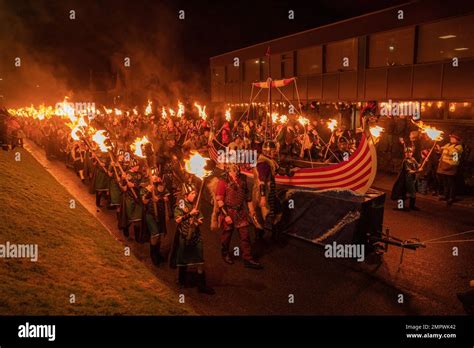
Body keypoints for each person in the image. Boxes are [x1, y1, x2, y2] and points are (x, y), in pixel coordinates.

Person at [215, 164, 263, 269]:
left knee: (245, 236)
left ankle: (248, 259)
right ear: (228, 169)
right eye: (233, 167)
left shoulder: (242, 180)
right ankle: (225, 253)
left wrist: (251, 210)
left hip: (240, 212)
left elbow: (248, 197)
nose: (236, 169)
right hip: (228, 211)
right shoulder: (223, 181)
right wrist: (226, 215)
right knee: (226, 236)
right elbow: (219, 200)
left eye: (236, 167)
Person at [171, 182, 215, 295]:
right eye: (192, 193)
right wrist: (189, 215)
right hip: (184, 235)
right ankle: (181, 281)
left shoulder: (196, 204)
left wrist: (195, 221)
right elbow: (177, 220)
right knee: (183, 259)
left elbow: (200, 220)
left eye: (195, 192)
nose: (194, 195)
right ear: (186, 195)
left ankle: (201, 285)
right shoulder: (181, 203)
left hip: (196, 235)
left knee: (200, 260)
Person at [142, 173, 169, 266]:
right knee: (155, 234)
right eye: (153, 176)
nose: (155, 178)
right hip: (150, 214)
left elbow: (166, 197)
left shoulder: (161, 186)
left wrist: (161, 198)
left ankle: (157, 253)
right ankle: (153, 254)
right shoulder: (146, 187)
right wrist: (150, 193)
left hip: (160, 214)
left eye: (156, 176)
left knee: (160, 235)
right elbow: (144, 201)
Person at [436, 134, 463, 206]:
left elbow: (454, 155)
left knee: (451, 183)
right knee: (445, 182)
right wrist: (438, 149)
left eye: (452, 138)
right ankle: (445, 195)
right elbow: (441, 151)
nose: (451, 138)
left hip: (451, 167)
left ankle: (451, 197)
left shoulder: (459, 147)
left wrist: (445, 149)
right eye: (451, 137)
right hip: (443, 166)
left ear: (457, 139)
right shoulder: (448, 144)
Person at [391, 147, 421, 211]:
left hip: (412, 179)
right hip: (406, 179)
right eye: (407, 153)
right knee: (403, 193)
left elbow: (418, 165)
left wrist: (424, 160)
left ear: (412, 153)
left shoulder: (413, 159)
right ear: (405, 154)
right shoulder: (406, 161)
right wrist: (417, 171)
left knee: (410, 193)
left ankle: (411, 206)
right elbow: (409, 171)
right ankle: (400, 207)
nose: (408, 154)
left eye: (410, 152)